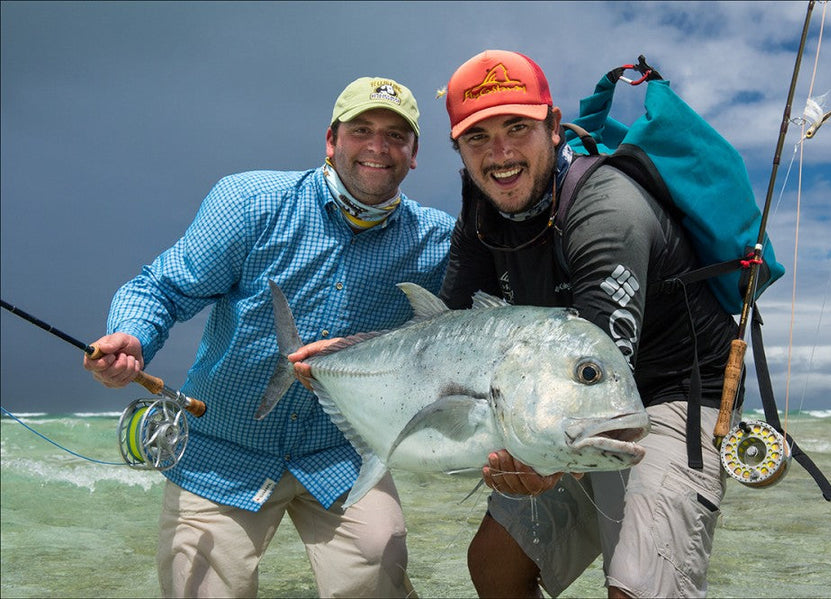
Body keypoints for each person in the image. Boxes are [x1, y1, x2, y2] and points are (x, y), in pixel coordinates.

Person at [83, 76, 454, 598]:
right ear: (331, 140)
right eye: (362, 130)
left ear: (415, 154)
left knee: (382, 554)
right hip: (222, 448)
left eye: (396, 135)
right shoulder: (250, 202)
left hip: (341, 451)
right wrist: (132, 336)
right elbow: (164, 288)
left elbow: (467, 338)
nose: (378, 146)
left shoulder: (437, 241)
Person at [438, 50, 740, 598]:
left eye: (517, 127)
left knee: (634, 590)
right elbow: (450, 339)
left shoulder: (608, 209)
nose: (500, 152)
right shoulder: (479, 218)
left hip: (671, 393)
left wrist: (547, 466)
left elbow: (599, 366)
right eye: (478, 136)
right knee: (493, 564)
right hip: (568, 394)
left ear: (553, 128)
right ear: (458, 149)